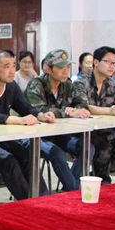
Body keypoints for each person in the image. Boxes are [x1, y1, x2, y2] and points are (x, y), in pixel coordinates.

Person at [0, 50, 74, 198]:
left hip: (3, 138)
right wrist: (19, 120)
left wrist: (41, 116)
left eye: (13, 66)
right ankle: (28, 203)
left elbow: (25, 107)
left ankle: (43, 199)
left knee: (27, 156)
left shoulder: (11, 86)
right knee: (9, 161)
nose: (12, 71)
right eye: (6, 67)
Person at [25, 49, 92, 183]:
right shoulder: (36, 84)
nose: (65, 71)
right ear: (48, 69)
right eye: (61, 68)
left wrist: (77, 110)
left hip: (59, 133)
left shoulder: (68, 84)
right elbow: (39, 110)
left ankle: (70, 187)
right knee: (56, 153)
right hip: (37, 136)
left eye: (68, 67)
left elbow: (82, 104)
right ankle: (73, 189)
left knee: (87, 148)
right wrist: (67, 112)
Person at [72, 46, 115, 183]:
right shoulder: (81, 82)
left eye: (114, 63)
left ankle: (96, 176)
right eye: (108, 62)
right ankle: (102, 181)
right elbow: (84, 106)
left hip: (103, 129)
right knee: (103, 149)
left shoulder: (111, 82)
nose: (112, 66)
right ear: (96, 62)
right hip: (84, 130)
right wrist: (110, 111)